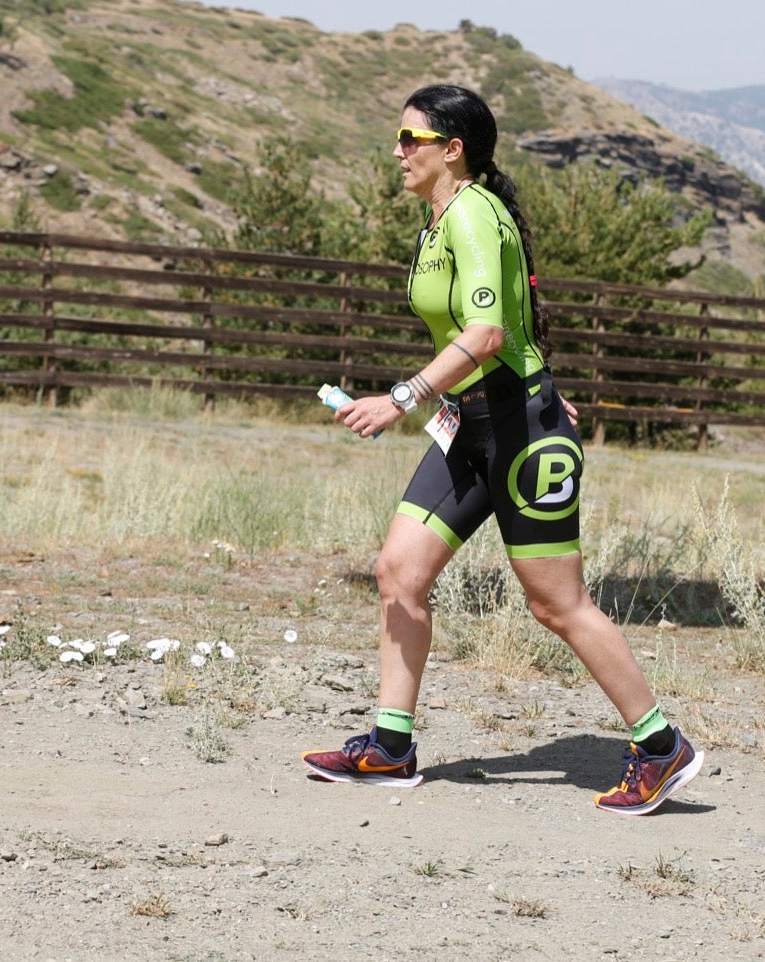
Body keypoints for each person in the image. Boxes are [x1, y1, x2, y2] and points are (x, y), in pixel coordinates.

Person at [300, 84, 703, 815]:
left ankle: (660, 745)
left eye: (410, 141)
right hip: (472, 421)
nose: (397, 152)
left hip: (518, 431)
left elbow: (484, 335)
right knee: (399, 571)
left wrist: (401, 398)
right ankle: (391, 748)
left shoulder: (475, 214)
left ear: (452, 150)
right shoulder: (442, 218)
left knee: (556, 604)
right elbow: (506, 322)